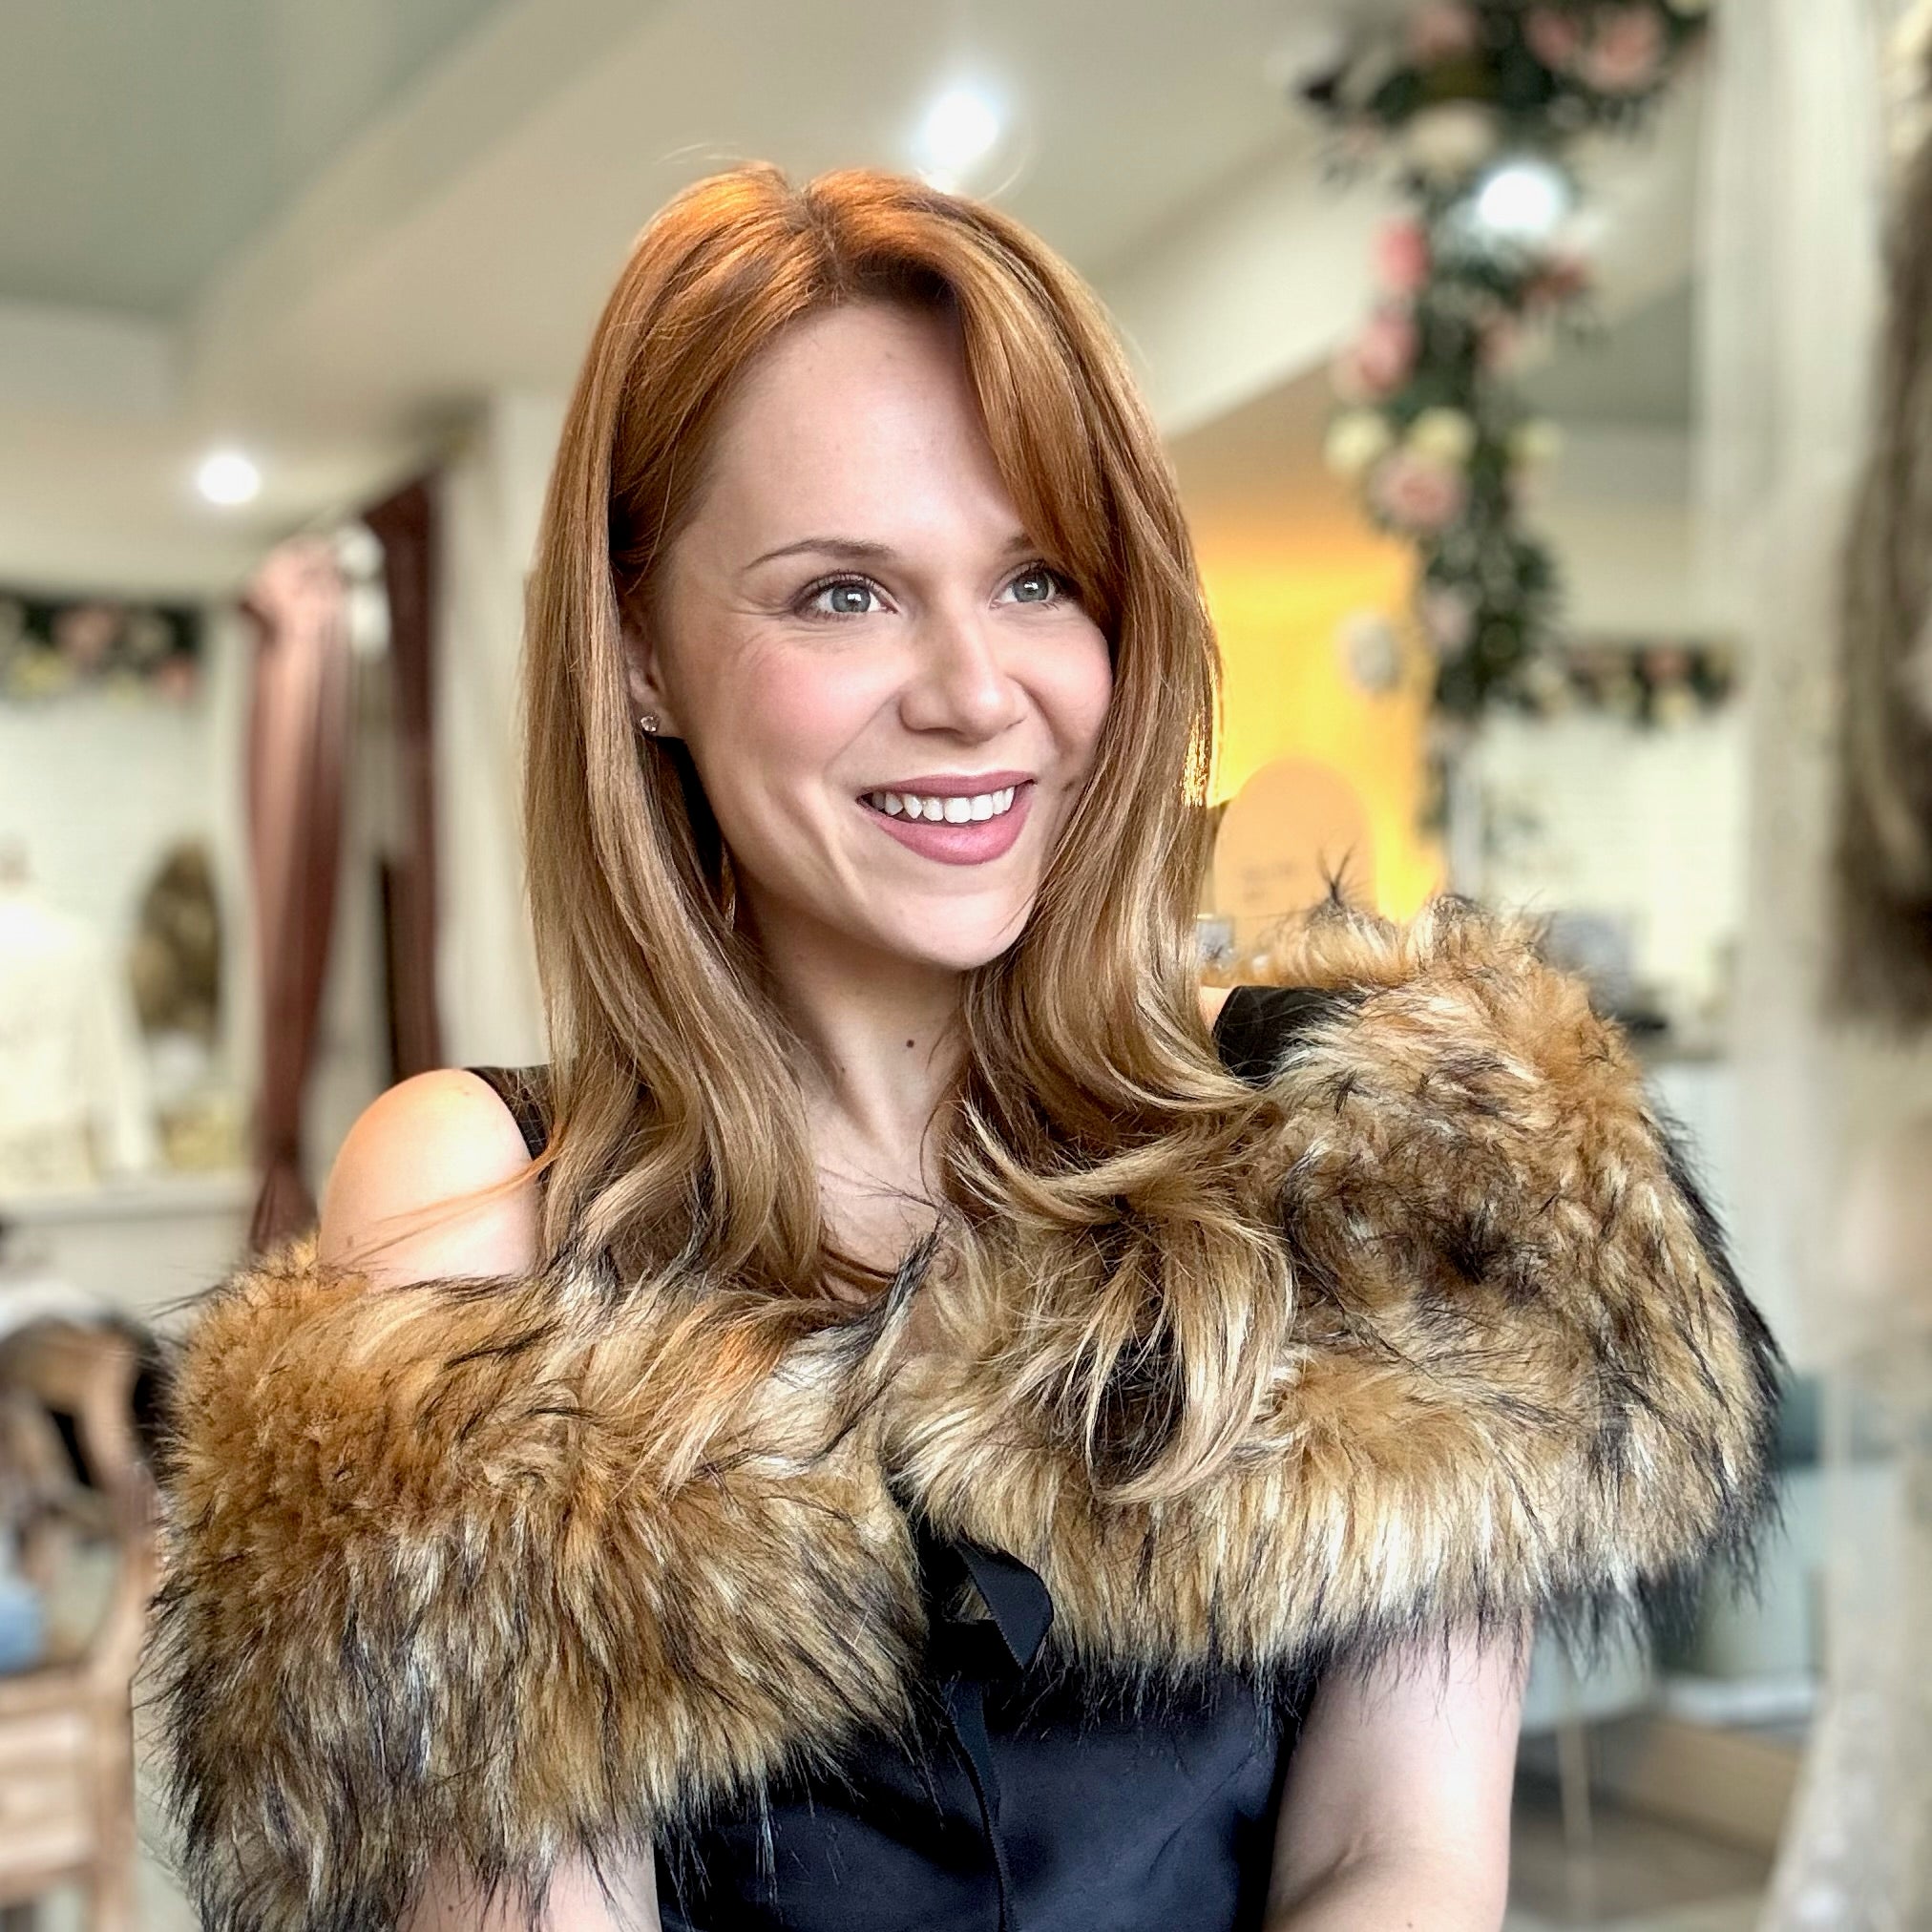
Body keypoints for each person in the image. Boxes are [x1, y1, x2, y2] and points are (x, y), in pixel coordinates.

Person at [147, 164, 1781, 1932]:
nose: (971, 689)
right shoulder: (491, 1215)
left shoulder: (1376, 1150)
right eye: (841, 594)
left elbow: (1395, 1861)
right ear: (636, 655)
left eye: (1034, 579)